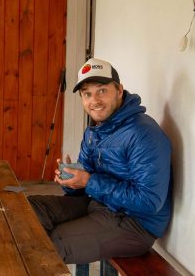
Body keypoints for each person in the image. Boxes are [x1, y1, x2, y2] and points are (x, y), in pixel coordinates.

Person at [28, 58, 172, 264]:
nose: (94, 100)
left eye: (101, 91)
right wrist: (71, 178)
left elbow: (149, 202)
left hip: (135, 223)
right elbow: (84, 185)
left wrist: (88, 181)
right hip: (99, 204)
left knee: (51, 245)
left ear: (119, 90)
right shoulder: (95, 130)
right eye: (87, 94)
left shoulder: (143, 133)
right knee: (30, 210)